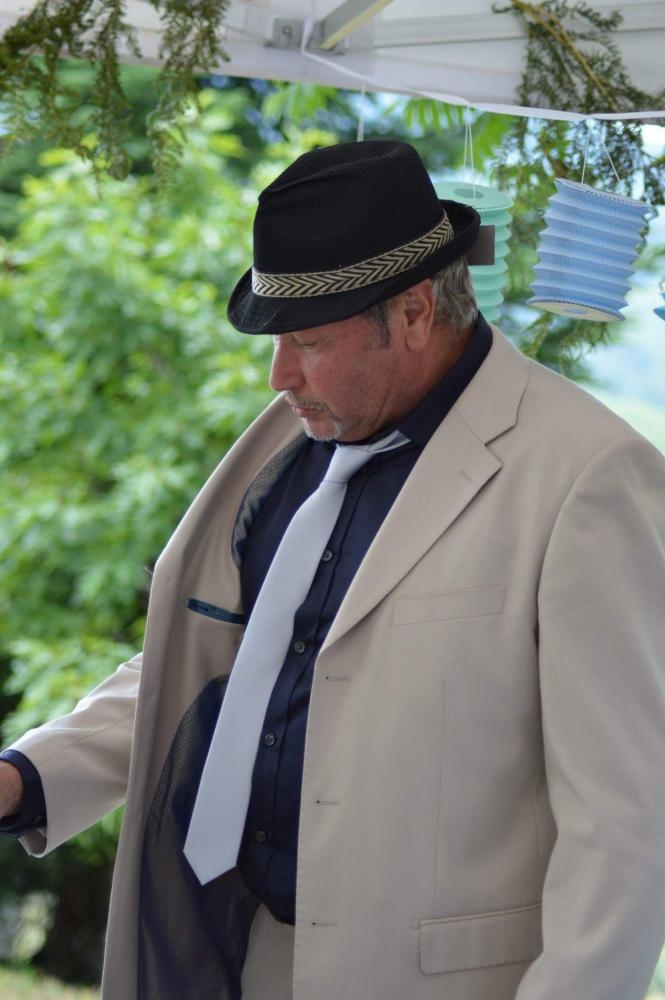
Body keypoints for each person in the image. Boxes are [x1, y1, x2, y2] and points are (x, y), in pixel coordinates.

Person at [1, 139, 665, 1000]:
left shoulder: (590, 475)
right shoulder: (305, 427)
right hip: (235, 950)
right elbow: (228, 667)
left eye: (307, 342)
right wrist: (27, 777)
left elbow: (626, 828)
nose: (278, 377)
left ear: (416, 312)